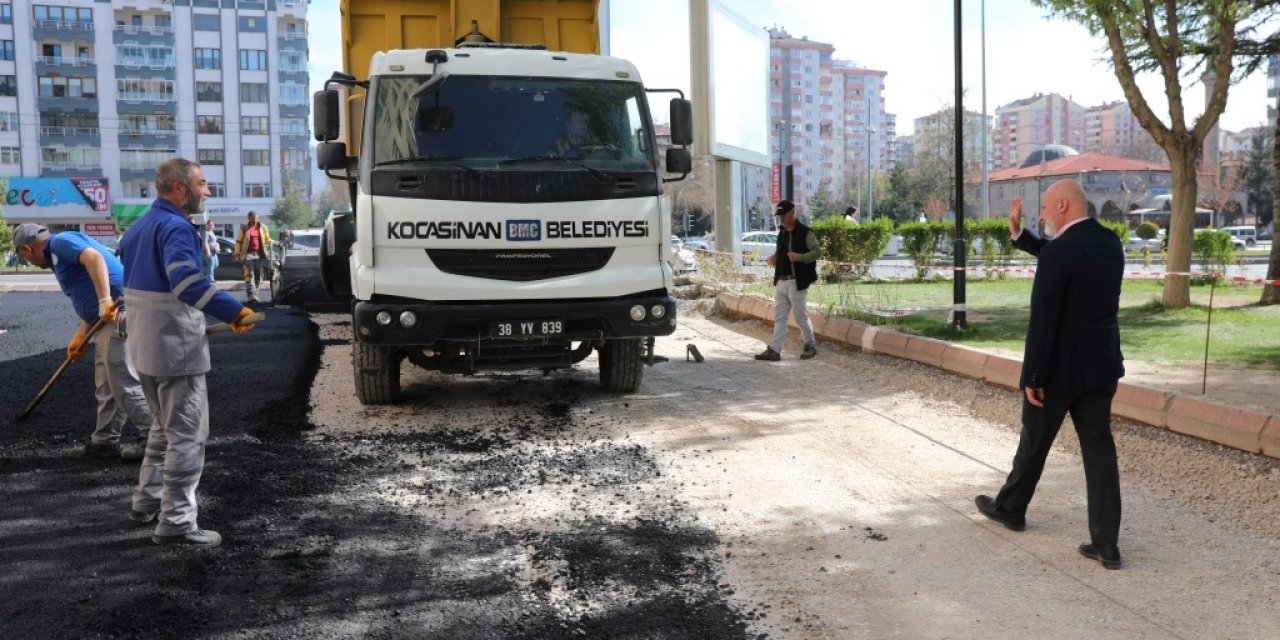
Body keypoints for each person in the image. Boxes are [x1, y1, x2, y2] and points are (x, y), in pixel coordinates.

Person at [974, 178, 1127, 570]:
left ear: (1062, 206)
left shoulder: (1062, 251)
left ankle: (1010, 508)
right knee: (1099, 450)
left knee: (1035, 440)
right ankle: (1107, 544)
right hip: (1100, 366)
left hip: (1058, 370)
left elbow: (1043, 319)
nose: (1040, 214)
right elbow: (1064, 260)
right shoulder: (1110, 243)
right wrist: (1021, 236)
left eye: (1044, 207)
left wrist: (1033, 376)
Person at [119, 158, 259, 547]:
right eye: (202, 183)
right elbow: (186, 283)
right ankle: (178, 522)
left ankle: (144, 503)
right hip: (174, 349)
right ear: (179, 188)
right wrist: (236, 311)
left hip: (143, 349)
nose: (207, 191)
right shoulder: (175, 227)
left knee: (162, 431)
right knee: (187, 435)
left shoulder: (138, 229)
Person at [11, 223, 154, 462]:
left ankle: (154, 440)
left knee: (122, 380)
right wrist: (81, 333)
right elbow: (87, 295)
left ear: (26, 249)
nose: (29, 263)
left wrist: (105, 301)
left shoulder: (60, 242)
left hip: (119, 313)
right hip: (107, 319)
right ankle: (104, 442)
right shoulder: (58, 255)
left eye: (25, 258)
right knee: (106, 384)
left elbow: (94, 258)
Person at [754, 199, 820, 362]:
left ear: (793, 213)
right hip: (781, 281)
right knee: (779, 317)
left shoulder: (806, 232)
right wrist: (774, 259)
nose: (781, 219)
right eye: (780, 216)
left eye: (784, 215)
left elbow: (817, 252)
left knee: (799, 316)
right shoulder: (782, 233)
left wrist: (799, 257)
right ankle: (774, 350)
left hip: (797, 282)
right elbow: (780, 252)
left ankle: (810, 345)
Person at [234, 210, 273, 302]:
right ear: (249, 219)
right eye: (252, 219)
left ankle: (255, 294)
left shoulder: (263, 227)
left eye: (255, 218)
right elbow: (238, 242)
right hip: (248, 255)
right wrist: (237, 254)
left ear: (258, 218)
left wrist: (274, 242)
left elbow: (267, 239)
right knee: (250, 273)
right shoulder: (244, 228)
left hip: (259, 254)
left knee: (258, 274)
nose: (254, 220)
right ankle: (251, 294)